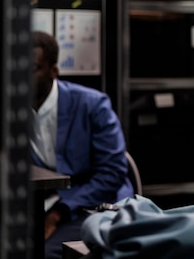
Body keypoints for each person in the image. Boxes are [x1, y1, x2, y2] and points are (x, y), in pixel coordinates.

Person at [31, 31, 134, 259]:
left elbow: (112, 172)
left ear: (53, 72)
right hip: (42, 205)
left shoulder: (92, 105)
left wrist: (59, 212)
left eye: (33, 69)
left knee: (45, 253)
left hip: (93, 204)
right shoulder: (12, 111)